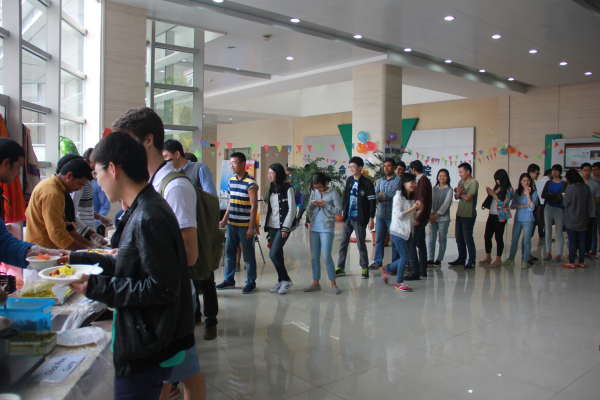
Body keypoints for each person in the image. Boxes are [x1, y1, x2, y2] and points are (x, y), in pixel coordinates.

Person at [67, 132, 195, 400]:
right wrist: (71, 259)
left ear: (112, 169)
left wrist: (96, 287)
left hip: (146, 343)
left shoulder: (148, 216)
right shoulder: (142, 208)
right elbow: (127, 262)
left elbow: (162, 287)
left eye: (96, 172)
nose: (96, 180)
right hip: (144, 336)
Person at [112, 107, 207, 399]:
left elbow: (189, 255)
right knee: (167, 376)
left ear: (148, 140)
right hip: (158, 295)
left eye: (127, 141)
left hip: (172, 298)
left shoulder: (174, 186)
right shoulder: (149, 183)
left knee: (184, 375)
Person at [0, 139, 64, 301]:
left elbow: (3, 242)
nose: (18, 174)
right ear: (5, 164)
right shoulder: (51, 192)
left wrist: (35, 252)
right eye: (18, 167)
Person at [25, 157, 94, 250]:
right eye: (79, 183)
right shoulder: (52, 194)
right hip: (43, 252)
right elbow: (57, 234)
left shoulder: (52, 186)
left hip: (44, 249)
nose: (80, 188)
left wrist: (90, 246)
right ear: (69, 175)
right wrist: (87, 252)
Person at [217, 152, 259, 294]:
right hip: (232, 224)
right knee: (230, 253)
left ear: (243, 164)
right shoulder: (231, 181)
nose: (231, 166)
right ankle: (229, 280)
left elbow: (254, 206)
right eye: (230, 163)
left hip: (245, 226)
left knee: (248, 255)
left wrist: (251, 227)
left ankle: (251, 282)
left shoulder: (251, 183)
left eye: (234, 163)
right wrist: (224, 219)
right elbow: (230, 202)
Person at [381, 173, 423, 292]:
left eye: (414, 182)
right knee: (405, 257)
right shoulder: (398, 197)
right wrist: (413, 208)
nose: (413, 185)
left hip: (407, 232)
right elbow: (398, 215)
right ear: (404, 183)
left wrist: (420, 210)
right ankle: (399, 282)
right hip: (398, 231)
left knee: (406, 257)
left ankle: (387, 270)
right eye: (411, 182)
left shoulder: (411, 197)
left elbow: (412, 216)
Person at [336, 157, 376, 279]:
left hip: (360, 218)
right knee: (343, 243)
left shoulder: (367, 183)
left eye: (353, 166)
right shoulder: (349, 180)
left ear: (360, 168)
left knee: (361, 244)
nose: (351, 169)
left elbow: (372, 202)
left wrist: (371, 219)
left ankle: (364, 267)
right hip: (348, 217)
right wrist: (343, 210)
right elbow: (345, 196)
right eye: (350, 167)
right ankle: (340, 267)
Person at [305, 173, 343, 294]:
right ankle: (316, 282)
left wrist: (325, 204)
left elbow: (339, 212)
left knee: (326, 256)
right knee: (314, 256)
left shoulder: (333, 193)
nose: (317, 189)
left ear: (325, 183)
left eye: (319, 187)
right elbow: (309, 209)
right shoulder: (314, 192)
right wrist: (311, 204)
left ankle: (333, 283)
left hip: (327, 227)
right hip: (314, 226)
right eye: (315, 187)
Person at [264, 163, 297, 294]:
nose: (269, 176)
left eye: (272, 173)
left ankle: (286, 280)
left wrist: (285, 228)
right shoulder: (272, 188)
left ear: (279, 174)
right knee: (278, 254)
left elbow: (292, 210)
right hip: (272, 225)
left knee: (273, 254)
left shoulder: (288, 188)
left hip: (282, 226)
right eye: (268, 173)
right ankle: (281, 281)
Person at [369, 158, 400, 270]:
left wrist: (382, 195)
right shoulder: (380, 180)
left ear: (394, 167)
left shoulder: (398, 180)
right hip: (381, 215)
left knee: (394, 241)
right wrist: (383, 196)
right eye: (385, 166)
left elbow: (394, 194)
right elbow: (375, 194)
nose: (386, 168)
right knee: (378, 240)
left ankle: (395, 263)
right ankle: (378, 261)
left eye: (389, 166)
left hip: (393, 216)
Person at [503, 173, 538, 269]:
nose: (526, 182)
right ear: (521, 182)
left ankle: (525, 260)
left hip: (528, 220)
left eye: (528, 180)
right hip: (518, 219)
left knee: (526, 241)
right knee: (514, 239)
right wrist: (523, 206)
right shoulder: (517, 192)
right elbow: (512, 205)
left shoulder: (534, 193)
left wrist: (528, 195)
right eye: (524, 181)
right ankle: (511, 259)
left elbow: (531, 207)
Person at [404, 160, 432, 281]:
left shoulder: (422, 180)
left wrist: (418, 218)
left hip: (420, 217)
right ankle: (422, 270)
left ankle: (415, 271)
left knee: (412, 243)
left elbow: (421, 201)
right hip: (421, 217)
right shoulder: (423, 180)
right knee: (420, 243)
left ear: (413, 169)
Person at [479, 169, 513, 268]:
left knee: (498, 237)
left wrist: (493, 194)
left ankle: (498, 259)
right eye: (496, 179)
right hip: (492, 214)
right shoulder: (497, 187)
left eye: (499, 179)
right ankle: (488, 257)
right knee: (487, 236)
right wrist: (490, 193)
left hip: (500, 215)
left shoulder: (509, 189)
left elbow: (504, 203)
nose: (497, 181)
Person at [562, 169, 595, 268]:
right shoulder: (586, 187)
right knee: (581, 239)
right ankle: (581, 262)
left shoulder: (570, 188)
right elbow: (590, 204)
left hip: (571, 219)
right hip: (583, 218)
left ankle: (571, 262)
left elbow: (565, 203)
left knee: (572, 240)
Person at [449, 162, 479, 269]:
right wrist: (458, 192)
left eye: (461, 172)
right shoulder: (461, 182)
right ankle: (461, 259)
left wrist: (460, 192)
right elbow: (456, 196)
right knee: (459, 238)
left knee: (468, 238)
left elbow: (467, 198)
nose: (460, 174)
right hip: (459, 214)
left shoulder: (473, 182)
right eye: (459, 172)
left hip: (468, 215)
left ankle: (471, 260)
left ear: (468, 171)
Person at [541, 164, 568, 262]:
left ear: (560, 172)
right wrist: (555, 195)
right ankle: (548, 252)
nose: (554, 173)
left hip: (558, 208)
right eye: (553, 171)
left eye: (556, 171)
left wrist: (551, 196)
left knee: (559, 232)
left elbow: (562, 196)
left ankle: (559, 253)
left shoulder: (564, 183)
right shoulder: (548, 182)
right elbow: (543, 195)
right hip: (548, 207)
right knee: (548, 231)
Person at [427, 169, 453, 266]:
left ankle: (439, 259)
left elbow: (446, 204)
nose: (442, 177)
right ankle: (430, 258)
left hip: (443, 218)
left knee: (442, 239)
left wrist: (436, 215)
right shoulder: (434, 188)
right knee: (431, 238)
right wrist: (431, 214)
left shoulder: (449, 190)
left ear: (448, 177)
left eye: (444, 176)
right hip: (432, 217)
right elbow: (430, 202)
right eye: (440, 175)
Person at [83, 149, 112, 234]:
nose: (95, 168)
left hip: (97, 226)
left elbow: (105, 206)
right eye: (93, 165)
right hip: (82, 227)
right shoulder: (81, 183)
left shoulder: (98, 182)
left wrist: (95, 223)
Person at [580, 163, 600, 257]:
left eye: (589, 170)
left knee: (589, 233)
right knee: (579, 232)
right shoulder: (578, 184)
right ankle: (578, 250)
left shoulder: (595, 184)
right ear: (581, 171)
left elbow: (597, 198)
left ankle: (587, 251)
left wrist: (589, 206)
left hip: (591, 213)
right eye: (585, 170)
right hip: (579, 213)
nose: (587, 172)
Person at [526, 164, 542, 262]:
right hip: (529, 213)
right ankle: (525, 255)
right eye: (537, 173)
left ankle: (527, 254)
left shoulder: (533, 183)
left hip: (534, 212)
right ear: (531, 173)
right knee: (527, 235)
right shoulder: (527, 184)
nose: (538, 175)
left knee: (530, 235)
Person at [536, 169, 552, 241]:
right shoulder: (549, 181)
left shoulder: (539, 181)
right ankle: (546, 236)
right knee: (547, 220)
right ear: (549, 174)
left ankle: (540, 235)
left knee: (540, 219)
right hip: (546, 202)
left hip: (539, 201)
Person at [593, 162, 600, 258]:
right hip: (592, 210)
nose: (593, 171)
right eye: (592, 169)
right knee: (593, 231)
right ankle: (593, 249)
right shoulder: (592, 181)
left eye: (595, 169)